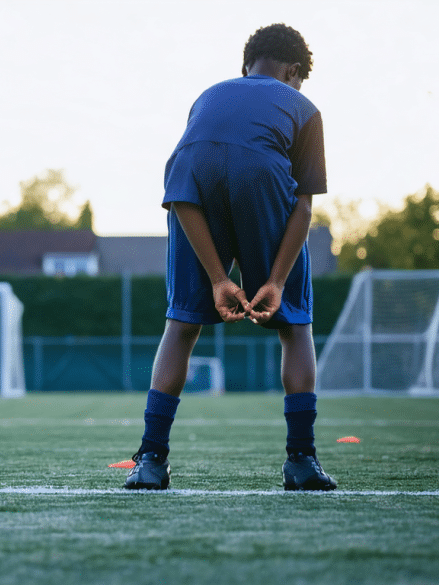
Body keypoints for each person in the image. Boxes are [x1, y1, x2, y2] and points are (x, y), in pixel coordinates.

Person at [124, 23, 336, 491]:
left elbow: (183, 191)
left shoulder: (207, 97)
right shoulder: (303, 107)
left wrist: (220, 279)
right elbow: (302, 207)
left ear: (246, 66)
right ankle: (301, 460)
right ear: (293, 71)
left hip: (190, 179)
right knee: (295, 326)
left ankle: (151, 460)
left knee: (181, 325)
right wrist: (277, 284)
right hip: (264, 175)